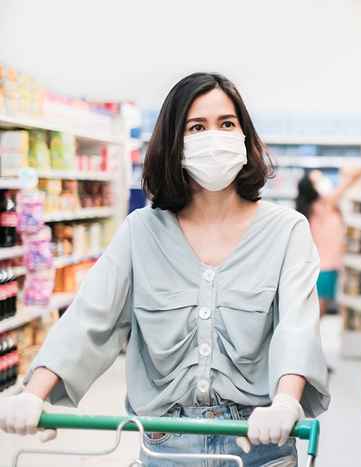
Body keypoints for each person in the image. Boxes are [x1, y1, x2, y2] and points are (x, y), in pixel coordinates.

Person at [0, 72, 330, 467]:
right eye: (197, 127)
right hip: (164, 448)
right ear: (175, 142)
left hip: (260, 446)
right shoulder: (142, 232)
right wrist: (34, 394)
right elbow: (89, 319)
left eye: (227, 124)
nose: (215, 136)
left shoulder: (285, 231)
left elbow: (297, 325)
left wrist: (285, 403)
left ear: (244, 136)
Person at [295, 164, 361, 316]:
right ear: (312, 188)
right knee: (317, 313)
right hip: (325, 268)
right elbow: (350, 181)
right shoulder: (324, 205)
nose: (324, 181)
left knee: (316, 312)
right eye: (319, 180)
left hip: (324, 266)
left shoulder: (313, 208)